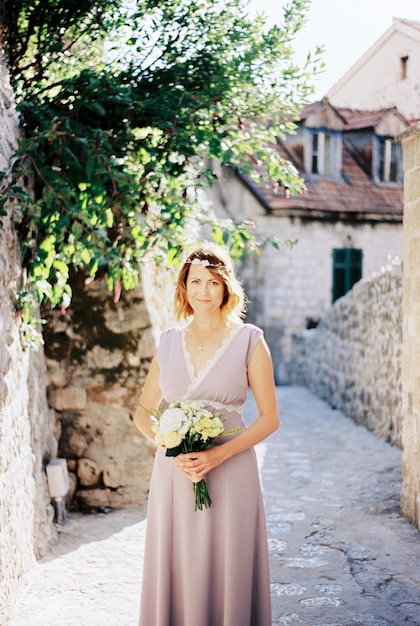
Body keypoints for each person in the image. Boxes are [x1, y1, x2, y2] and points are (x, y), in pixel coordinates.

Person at [134, 242, 280, 626]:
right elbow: (142, 414)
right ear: (184, 287)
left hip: (231, 470)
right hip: (176, 472)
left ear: (227, 287)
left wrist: (218, 455)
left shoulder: (250, 339)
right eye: (195, 281)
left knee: (228, 561)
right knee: (179, 560)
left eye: (213, 282)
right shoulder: (167, 342)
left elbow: (269, 418)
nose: (203, 291)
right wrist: (168, 443)